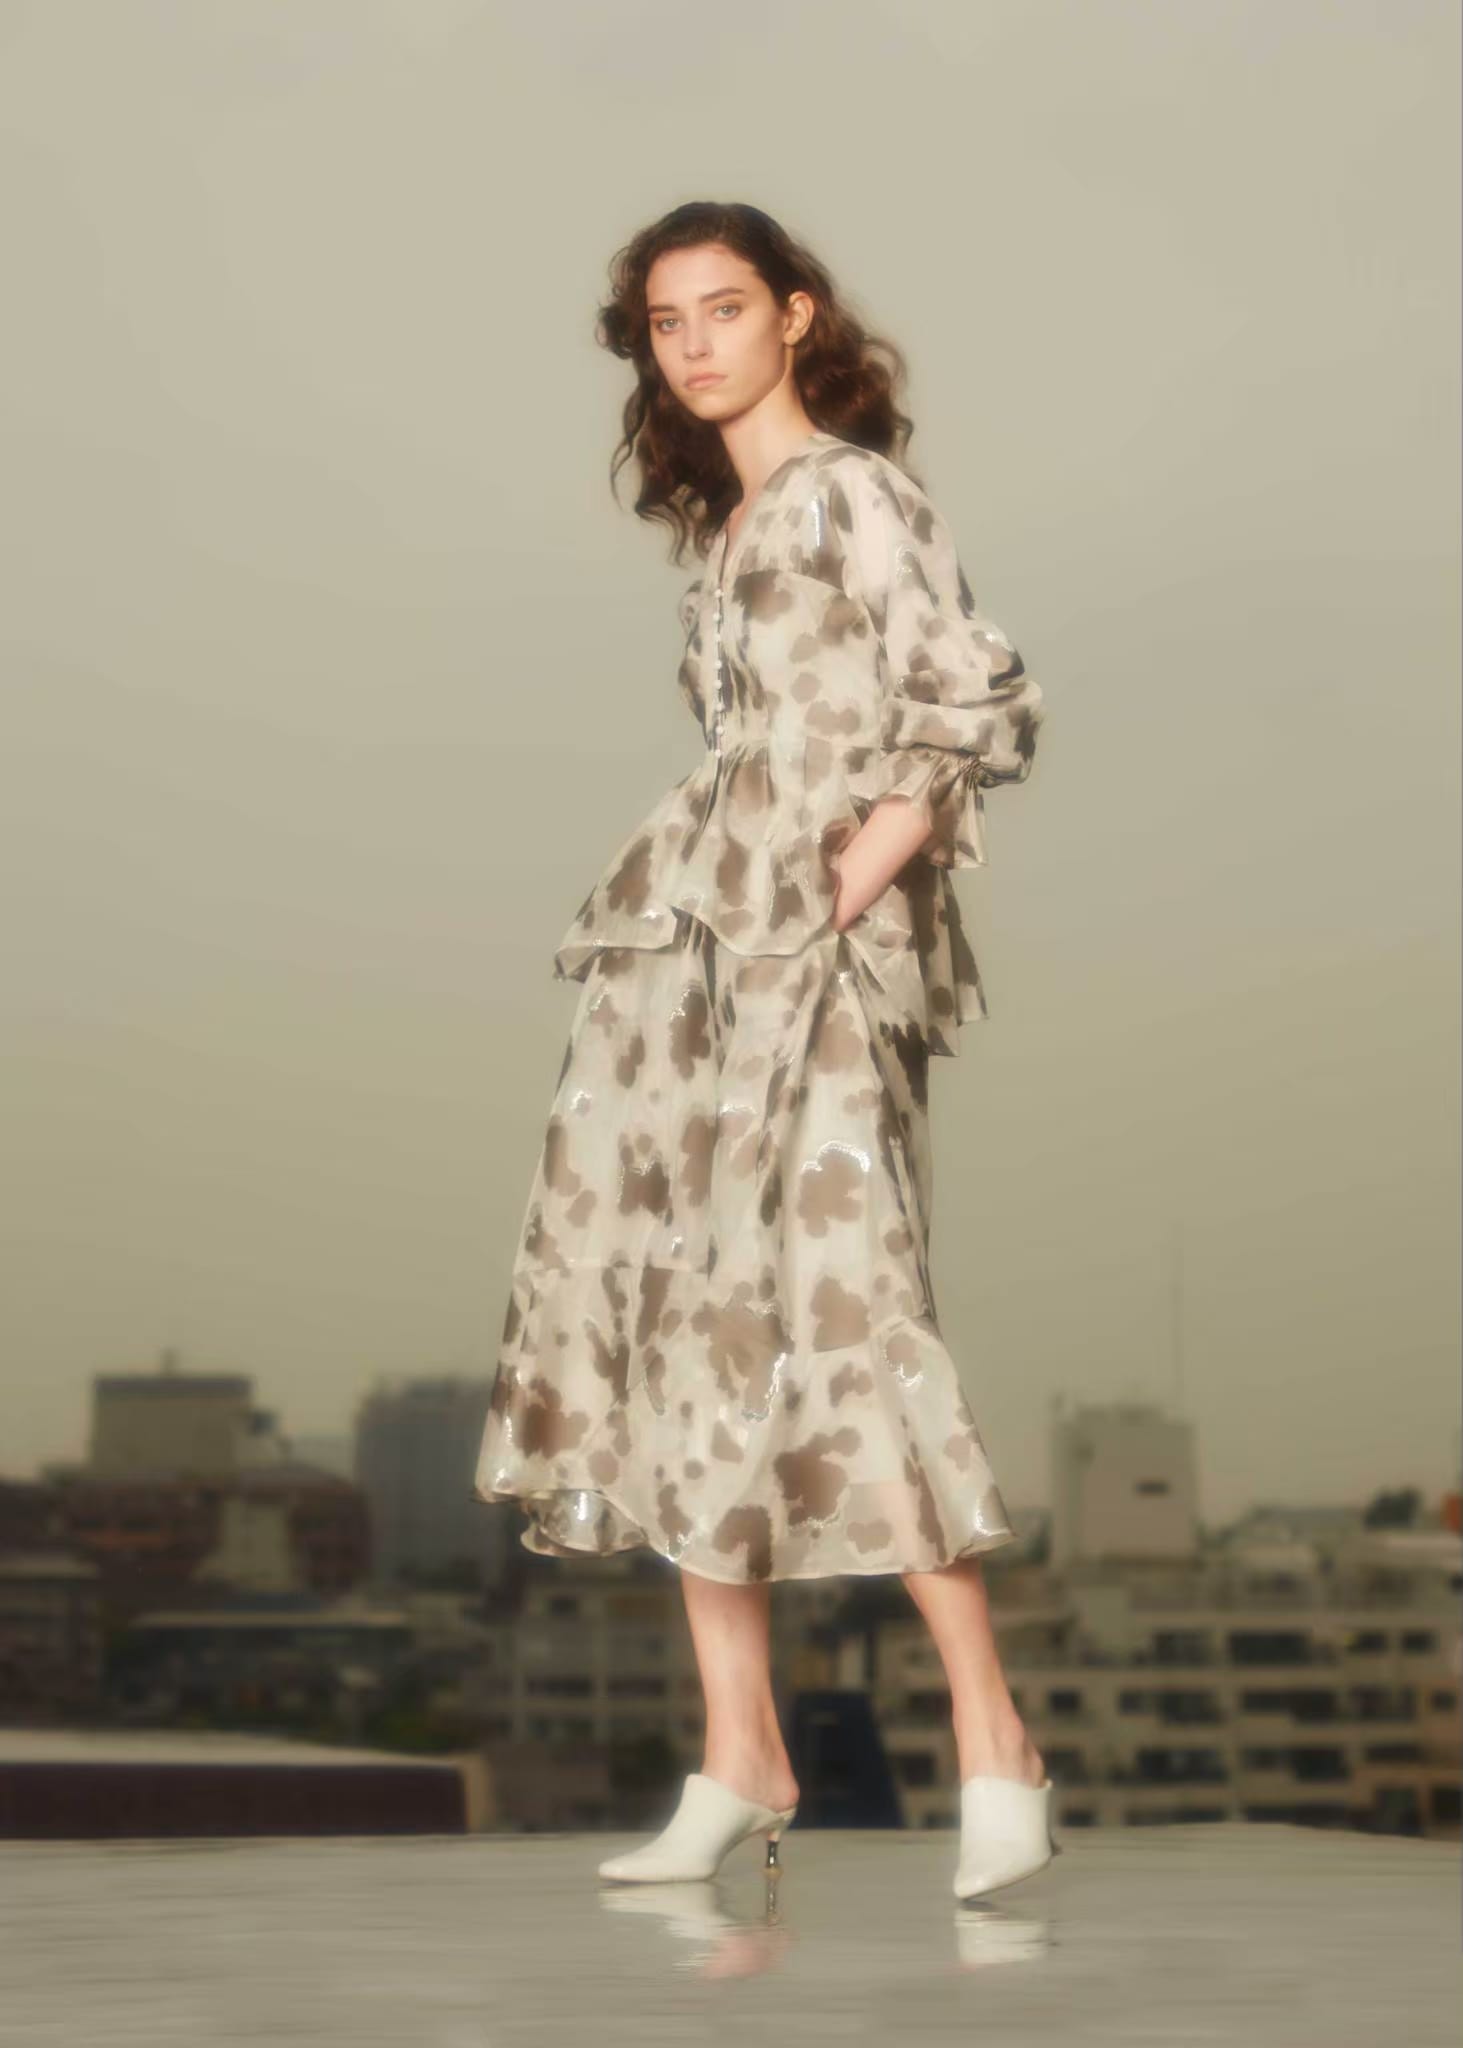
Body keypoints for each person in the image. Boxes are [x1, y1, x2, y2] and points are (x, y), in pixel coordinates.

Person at [473, 201, 1055, 1902]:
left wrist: (831, 896)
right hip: (683, 963)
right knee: (678, 1317)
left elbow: (968, 706)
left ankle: (999, 1744)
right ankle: (740, 1755)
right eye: (668, 323)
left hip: (813, 961)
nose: (696, 345)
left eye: (725, 308)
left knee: (853, 1313)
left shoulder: (856, 493)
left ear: (796, 316)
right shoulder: (728, 532)